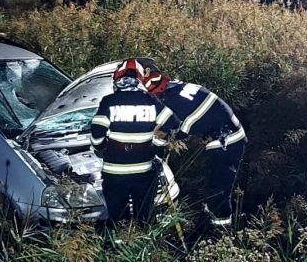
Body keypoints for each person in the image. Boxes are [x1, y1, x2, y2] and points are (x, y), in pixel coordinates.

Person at [140, 63, 246, 229]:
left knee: (218, 189)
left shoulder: (171, 102)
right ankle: (211, 217)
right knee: (213, 184)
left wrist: (153, 151)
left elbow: (171, 131)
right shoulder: (178, 88)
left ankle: (221, 229)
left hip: (226, 140)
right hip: (225, 135)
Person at [90, 59, 178, 223]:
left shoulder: (109, 101)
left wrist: (100, 147)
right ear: (140, 80)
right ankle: (141, 237)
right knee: (144, 216)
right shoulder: (150, 101)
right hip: (144, 172)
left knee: (117, 218)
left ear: (117, 79)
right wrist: (156, 145)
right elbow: (172, 124)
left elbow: (97, 132)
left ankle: (119, 238)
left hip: (114, 172)